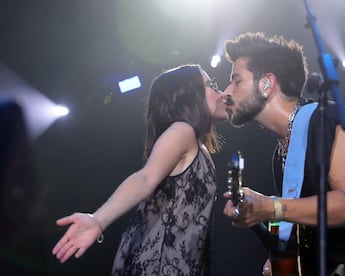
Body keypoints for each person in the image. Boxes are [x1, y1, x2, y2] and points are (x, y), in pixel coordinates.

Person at [221, 32, 345, 275]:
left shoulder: (325, 118)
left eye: (236, 81)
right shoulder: (281, 154)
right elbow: (309, 225)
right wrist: (257, 218)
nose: (226, 91)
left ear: (267, 83)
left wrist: (271, 206)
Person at [52, 64, 228, 275]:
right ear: (189, 95)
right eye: (211, 85)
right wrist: (98, 219)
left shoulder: (198, 146)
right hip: (156, 265)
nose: (221, 92)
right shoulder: (182, 131)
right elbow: (145, 178)